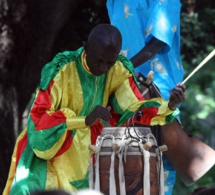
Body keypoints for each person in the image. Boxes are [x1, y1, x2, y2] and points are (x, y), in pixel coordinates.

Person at [3, 24, 186, 195]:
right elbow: (39, 116)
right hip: (47, 151)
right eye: (99, 61)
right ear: (86, 47)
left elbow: (134, 109)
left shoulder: (118, 70)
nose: (103, 68)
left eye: (109, 63)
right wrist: (83, 120)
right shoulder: (62, 68)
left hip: (81, 159)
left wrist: (168, 106)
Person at [106, 0, 184, 194]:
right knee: (122, 171)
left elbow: (159, 41)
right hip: (123, 95)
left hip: (158, 94)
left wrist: (124, 69)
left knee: (158, 170)